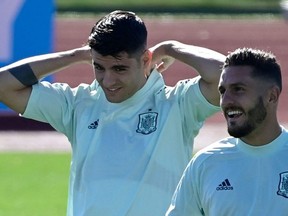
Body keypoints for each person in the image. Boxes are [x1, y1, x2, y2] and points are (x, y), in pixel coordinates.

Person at [0, 10, 225, 216]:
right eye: (99, 67)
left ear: (146, 59)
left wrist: (170, 48)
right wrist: (75, 55)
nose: (108, 81)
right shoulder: (79, 104)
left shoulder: (177, 103)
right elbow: (4, 85)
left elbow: (227, 76)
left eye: (120, 68)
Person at [166, 47, 288, 216]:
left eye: (238, 89)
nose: (226, 101)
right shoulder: (206, 163)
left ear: (271, 96)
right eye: (223, 91)